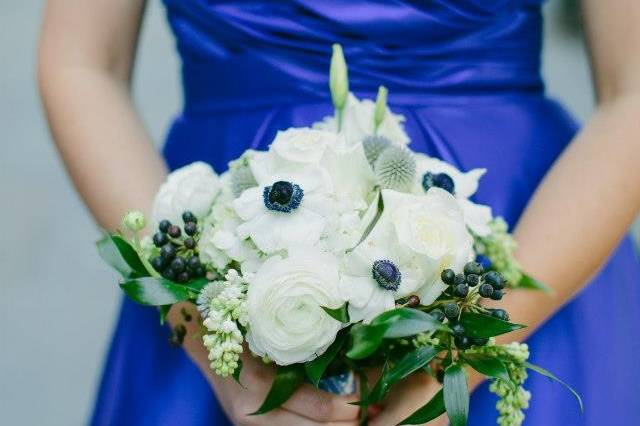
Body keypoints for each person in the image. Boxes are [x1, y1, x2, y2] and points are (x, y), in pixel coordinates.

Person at [38, 1, 640, 425]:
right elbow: (83, 64)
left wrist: (467, 347)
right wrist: (206, 331)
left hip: (527, 245)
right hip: (225, 243)